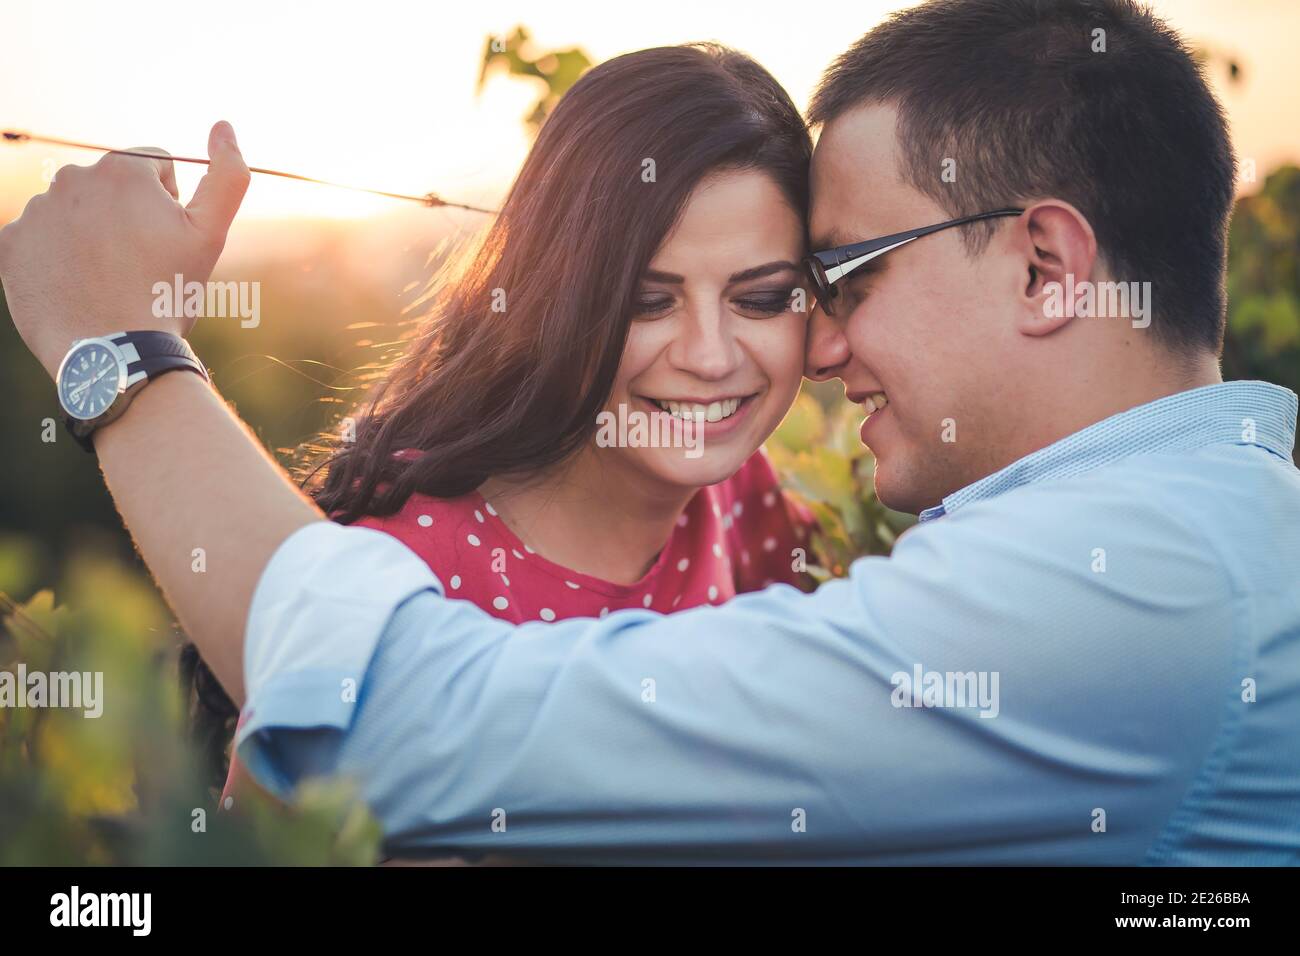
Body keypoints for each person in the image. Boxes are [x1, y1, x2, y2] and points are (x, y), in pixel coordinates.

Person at [2, 0, 1297, 864]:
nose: (818, 347)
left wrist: (116, 345)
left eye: (828, 279)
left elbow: (397, 721)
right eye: (646, 296)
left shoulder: (1115, 596)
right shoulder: (1205, 528)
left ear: (1048, 267)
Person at [215, 42, 817, 809]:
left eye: (761, 299)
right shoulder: (398, 569)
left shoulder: (738, 490)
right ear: (554, 297)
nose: (709, 357)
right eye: (645, 301)